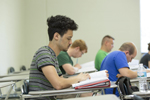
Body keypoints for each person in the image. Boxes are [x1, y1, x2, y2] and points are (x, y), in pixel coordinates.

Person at [28, 15, 91, 100]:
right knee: (87, 95)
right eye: (68, 38)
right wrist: (78, 78)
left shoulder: (53, 56)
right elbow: (58, 84)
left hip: (53, 96)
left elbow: (62, 81)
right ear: (56, 36)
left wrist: (80, 81)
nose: (71, 42)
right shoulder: (43, 53)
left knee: (87, 93)